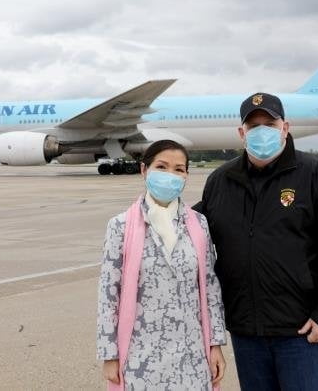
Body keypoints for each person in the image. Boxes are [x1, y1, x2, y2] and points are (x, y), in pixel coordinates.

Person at [193, 93, 318, 390]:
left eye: (269, 123)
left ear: (285, 127)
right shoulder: (221, 182)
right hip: (247, 335)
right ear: (241, 133)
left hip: (301, 334)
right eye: (253, 125)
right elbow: (192, 233)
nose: (262, 130)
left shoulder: (317, 176)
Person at [97, 139, 227, 390]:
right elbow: (108, 295)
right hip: (140, 356)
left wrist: (215, 344)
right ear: (144, 170)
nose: (170, 175)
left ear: (187, 175)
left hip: (192, 354)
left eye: (179, 169)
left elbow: (210, 288)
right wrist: (109, 354)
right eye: (162, 166)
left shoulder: (199, 225)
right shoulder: (120, 226)